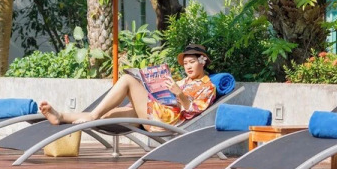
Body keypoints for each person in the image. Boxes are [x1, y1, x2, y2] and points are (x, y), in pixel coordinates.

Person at [39, 44, 217, 129]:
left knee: (127, 80)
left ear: (202, 62)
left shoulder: (208, 87)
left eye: (192, 62)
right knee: (107, 115)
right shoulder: (182, 81)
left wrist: (181, 95)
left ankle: (92, 115)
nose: (188, 67)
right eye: (185, 63)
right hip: (153, 111)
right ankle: (60, 116)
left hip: (164, 121)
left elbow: (194, 112)